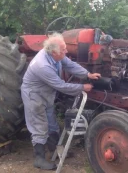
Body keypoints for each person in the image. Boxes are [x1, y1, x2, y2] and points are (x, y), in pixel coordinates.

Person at [21, 33, 101, 170]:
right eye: (63, 49)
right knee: (39, 126)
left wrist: (87, 74)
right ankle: (39, 159)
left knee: (52, 123)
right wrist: (82, 87)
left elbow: (70, 64)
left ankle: (54, 150)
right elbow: (61, 86)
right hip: (34, 96)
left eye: (65, 48)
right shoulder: (43, 65)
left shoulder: (55, 56)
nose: (66, 51)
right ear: (53, 52)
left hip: (46, 94)